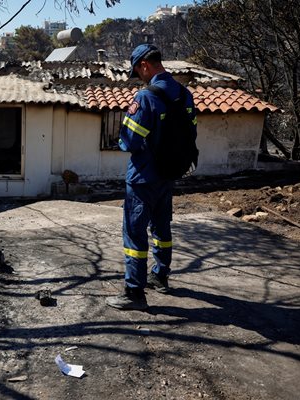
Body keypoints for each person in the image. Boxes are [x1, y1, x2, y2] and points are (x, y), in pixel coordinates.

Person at [105, 44, 197, 311]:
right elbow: (190, 133)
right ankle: (161, 275)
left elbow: (129, 141)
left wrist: (126, 141)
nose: (139, 76)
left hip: (143, 177)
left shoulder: (145, 98)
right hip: (170, 174)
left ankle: (134, 291)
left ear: (145, 65)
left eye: (137, 70)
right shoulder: (185, 94)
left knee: (134, 234)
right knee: (162, 228)